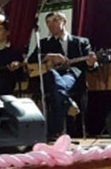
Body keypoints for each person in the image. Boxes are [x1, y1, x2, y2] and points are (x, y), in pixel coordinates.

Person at [29, 11, 97, 139]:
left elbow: (93, 66)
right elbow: (30, 61)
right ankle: (67, 103)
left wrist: (91, 63)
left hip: (71, 75)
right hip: (51, 77)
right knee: (52, 76)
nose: (50, 25)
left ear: (63, 22)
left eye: (54, 20)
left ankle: (56, 131)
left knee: (57, 89)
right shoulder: (44, 43)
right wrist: (48, 56)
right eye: (48, 22)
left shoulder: (80, 42)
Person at [0, 20, 24, 96]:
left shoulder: (15, 51)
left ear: (7, 32)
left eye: (0, 29)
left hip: (6, 84)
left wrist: (17, 65)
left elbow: (20, 72)